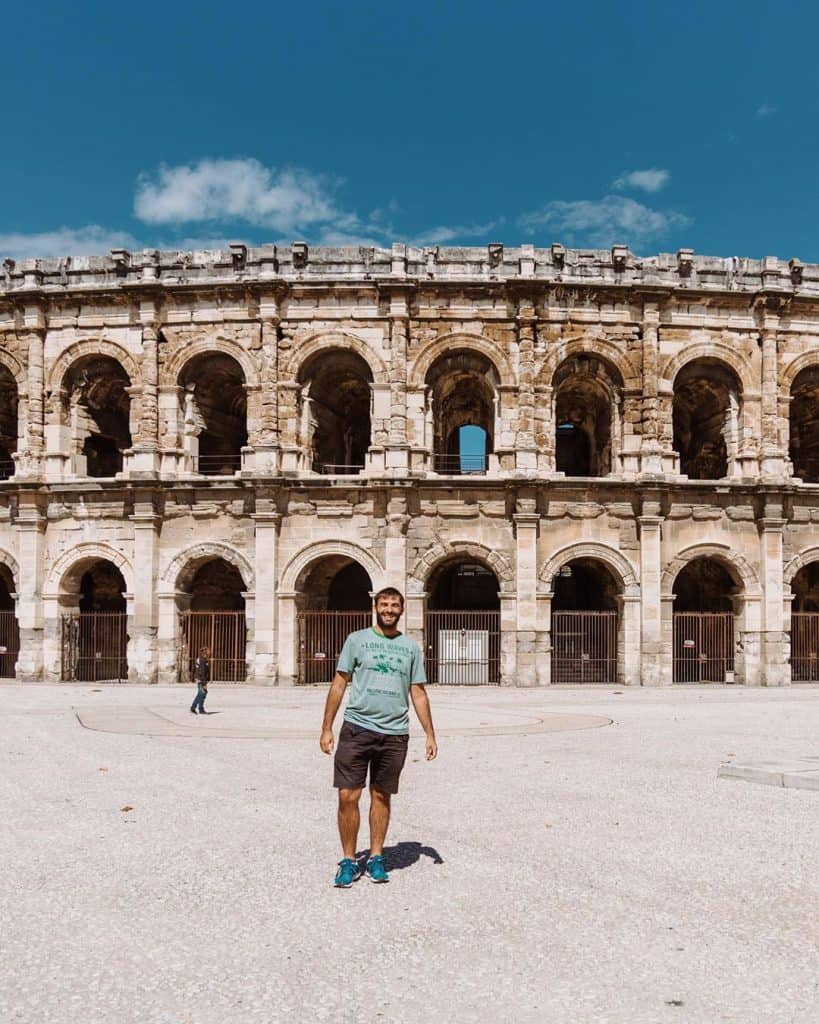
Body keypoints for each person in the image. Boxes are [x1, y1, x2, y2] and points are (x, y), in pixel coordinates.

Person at [320, 587, 437, 888]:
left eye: (394, 605)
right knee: (348, 796)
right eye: (384, 604)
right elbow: (339, 683)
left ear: (401, 610)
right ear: (375, 606)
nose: (389, 609)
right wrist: (326, 727)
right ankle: (348, 860)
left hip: (395, 733)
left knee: (381, 796)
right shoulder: (356, 640)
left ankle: (375, 857)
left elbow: (418, 692)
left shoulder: (410, 647)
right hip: (357, 728)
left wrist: (430, 734)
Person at [190, 646, 211, 715]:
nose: (209, 652)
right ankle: (197, 708)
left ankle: (196, 708)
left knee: (202, 693)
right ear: (205, 652)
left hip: (199, 678)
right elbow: (202, 672)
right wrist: (204, 683)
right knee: (202, 694)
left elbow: (194, 669)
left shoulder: (199, 659)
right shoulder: (202, 660)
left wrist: (193, 677)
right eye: (208, 651)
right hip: (201, 679)